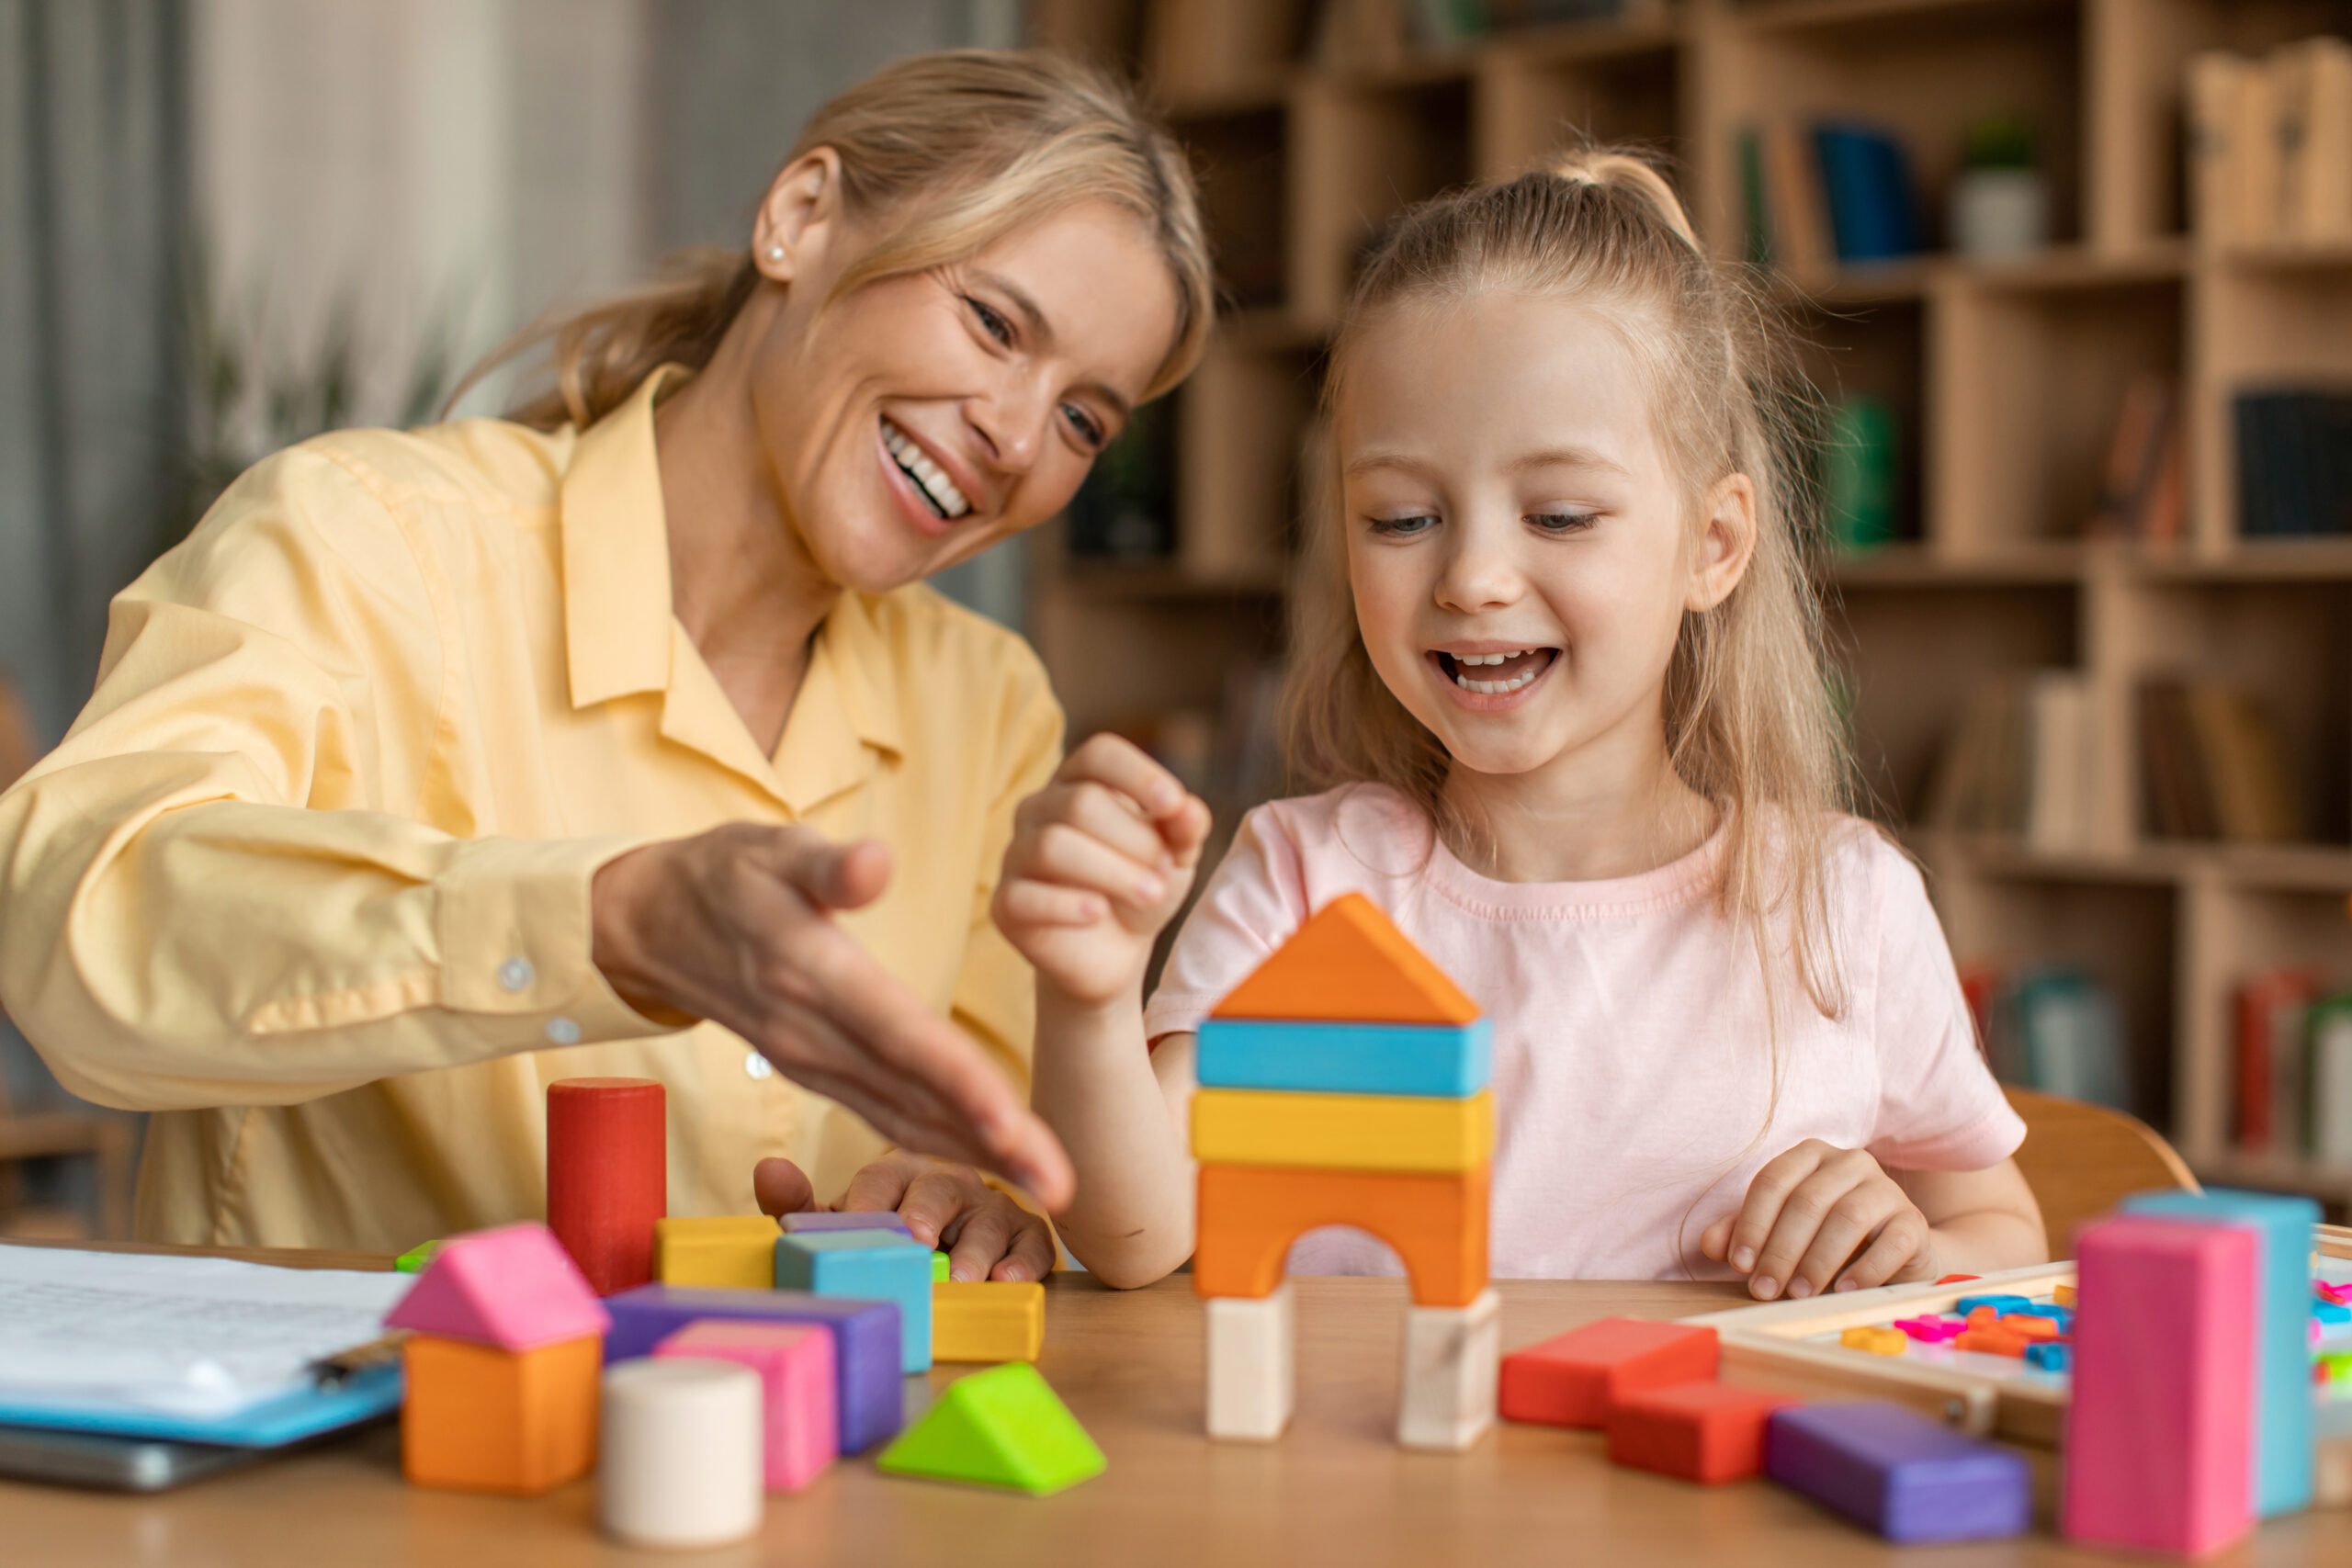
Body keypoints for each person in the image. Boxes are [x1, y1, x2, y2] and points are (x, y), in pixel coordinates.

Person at [0, 50, 1213, 1283]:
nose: (1014, 438)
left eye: (1082, 420)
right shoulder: (367, 537)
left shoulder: (988, 701)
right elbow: (73, 927)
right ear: (801, 219)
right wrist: (608, 923)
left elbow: (1013, 1149)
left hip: (797, 1459)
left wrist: (980, 1196)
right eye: (995, 322)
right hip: (332, 1453)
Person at [996, 151, 2047, 1297]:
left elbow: (1996, 1226)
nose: (1474, 577)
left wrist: (1916, 1249)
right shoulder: (1305, 879)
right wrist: (1091, 998)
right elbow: (1135, 1239)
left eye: (1557, 513)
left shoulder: (1843, 902)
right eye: (1400, 518)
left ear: (1714, 544)